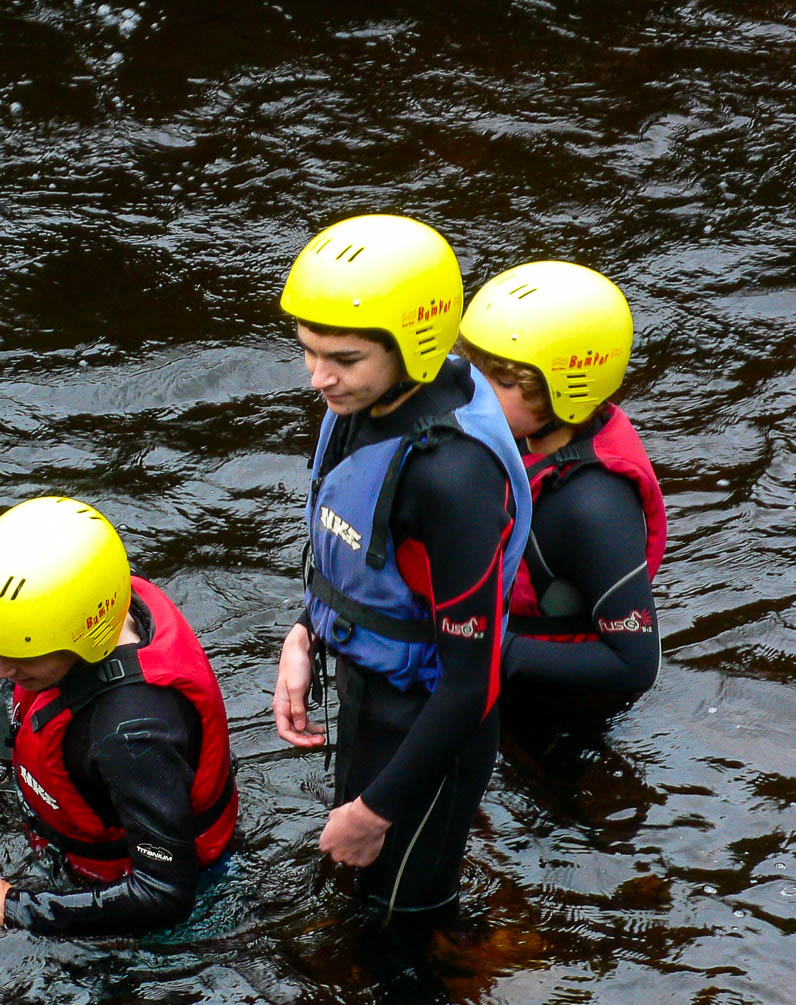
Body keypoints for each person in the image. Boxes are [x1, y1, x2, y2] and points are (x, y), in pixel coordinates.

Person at [271, 214, 532, 921]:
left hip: (433, 723)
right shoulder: (360, 403)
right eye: (308, 351)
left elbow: (471, 683)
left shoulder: (453, 478)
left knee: (401, 925)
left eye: (343, 358)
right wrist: (304, 635)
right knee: (352, 897)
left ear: (413, 346)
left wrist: (377, 810)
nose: (318, 377)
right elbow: (351, 546)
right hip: (368, 687)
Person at [0, 497, 238, 937]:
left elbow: (165, 895)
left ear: (82, 635)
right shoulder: (98, 602)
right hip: (75, 835)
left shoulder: (133, 736)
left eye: (18, 653)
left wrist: (12, 906)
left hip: (159, 916)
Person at [457, 260, 665, 698]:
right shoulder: (517, 433)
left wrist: (486, 649)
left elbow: (634, 664)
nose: (474, 389)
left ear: (566, 388)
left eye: (500, 379)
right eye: (473, 367)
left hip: (555, 716)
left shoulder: (593, 506)